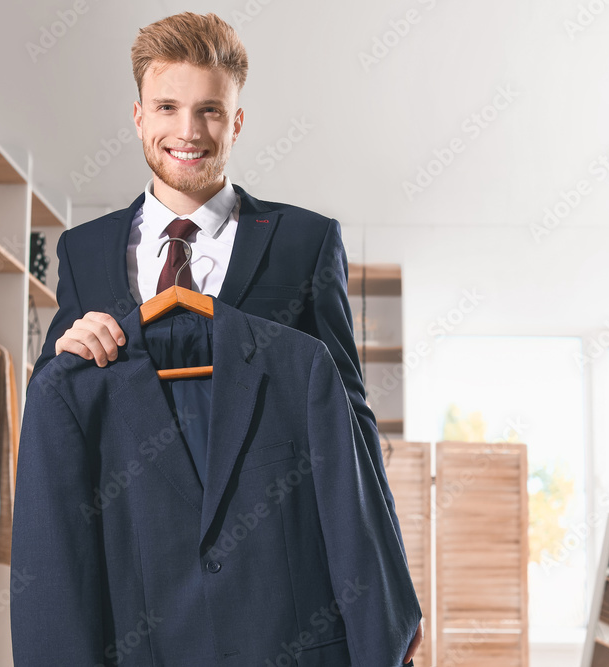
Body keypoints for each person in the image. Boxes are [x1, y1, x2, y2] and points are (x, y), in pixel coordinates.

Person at [27, 11, 423, 663]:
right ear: (138, 116)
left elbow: (352, 420)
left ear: (236, 121)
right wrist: (67, 350)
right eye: (168, 107)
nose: (188, 131)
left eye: (209, 110)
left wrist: (389, 602)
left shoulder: (304, 241)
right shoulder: (83, 251)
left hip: (277, 596)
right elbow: (65, 434)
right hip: (140, 593)